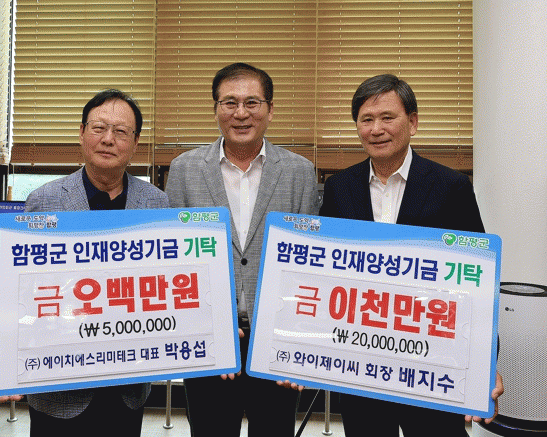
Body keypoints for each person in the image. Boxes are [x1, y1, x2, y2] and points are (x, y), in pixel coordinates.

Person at [319, 73, 504, 437]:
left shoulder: (451, 186)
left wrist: (485, 360)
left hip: (431, 360)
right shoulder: (339, 188)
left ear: (413, 122)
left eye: (387, 117)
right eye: (366, 119)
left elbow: (477, 280)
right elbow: (325, 276)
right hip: (361, 362)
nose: (376, 129)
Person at [0, 89, 170, 436]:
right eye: (99, 128)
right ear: (82, 133)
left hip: (127, 386)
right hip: (58, 388)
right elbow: (14, 287)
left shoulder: (156, 203)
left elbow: (169, 284)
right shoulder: (44, 201)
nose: (108, 139)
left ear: (135, 142)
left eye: (121, 131)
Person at [165, 62, 319, 437]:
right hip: (209, 338)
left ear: (270, 109)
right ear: (216, 108)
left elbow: (309, 265)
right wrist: (206, 325)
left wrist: (296, 340)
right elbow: (175, 258)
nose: (241, 113)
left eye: (252, 102)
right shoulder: (184, 169)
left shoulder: (300, 171)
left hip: (275, 341)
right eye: (229, 102)